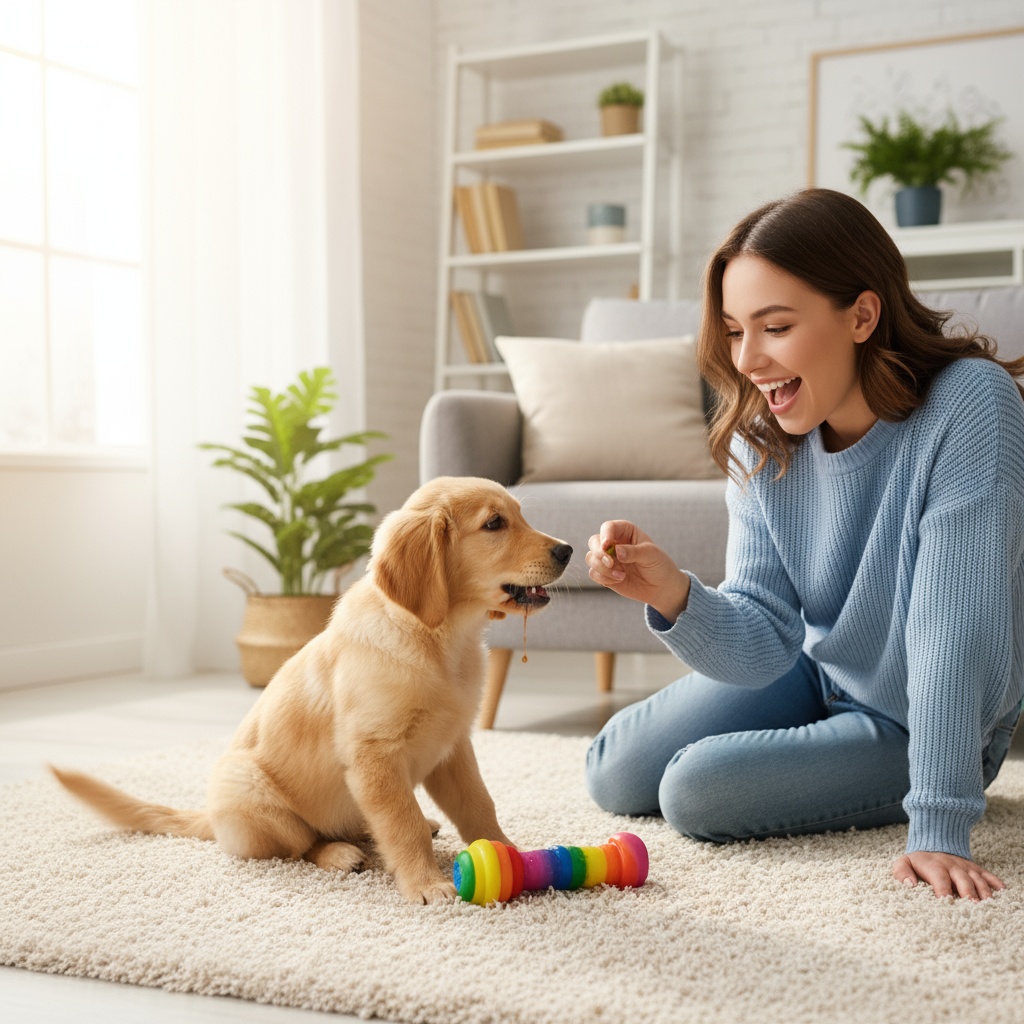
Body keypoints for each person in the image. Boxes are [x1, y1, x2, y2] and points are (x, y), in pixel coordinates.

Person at [584, 188, 1024, 901]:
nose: (749, 359)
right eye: (733, 331)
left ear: (861, 314)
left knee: (694, 793)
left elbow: (955, 630)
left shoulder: (968, 403)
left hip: (915, 718)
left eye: (775, 327)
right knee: (615, 769)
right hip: (818, 669)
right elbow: (765, 636)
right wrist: (670, 592)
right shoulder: (764, 436)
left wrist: (940, 822)